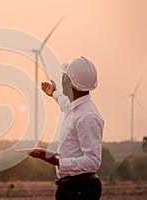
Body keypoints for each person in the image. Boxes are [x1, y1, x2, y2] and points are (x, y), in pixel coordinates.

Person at [29, 56, 104, 200]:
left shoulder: (87, 116)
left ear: (70, 82)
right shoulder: (76, 108)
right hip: (72, 188)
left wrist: (56, 160)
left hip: (81, 190)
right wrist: (54, 93)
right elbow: (66, 104)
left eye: (64, 77)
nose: (62, 80)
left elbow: (93, 161)